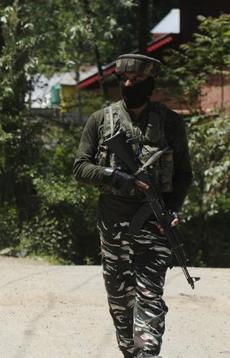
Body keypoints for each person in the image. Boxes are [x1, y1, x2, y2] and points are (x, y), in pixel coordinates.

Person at [72, 54, 193, 358]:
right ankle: (132, 352)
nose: (128, 84)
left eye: (137, 80)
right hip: (113, 226)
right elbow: (80, 168)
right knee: (121, 305)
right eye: (124, 79)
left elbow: (183, 174)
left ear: (150, 83)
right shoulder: (100, 121)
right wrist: (116, 177)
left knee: (149, 297)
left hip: (154, 224)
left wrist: (173, 209)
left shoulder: (170, 122)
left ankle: (146, 354)